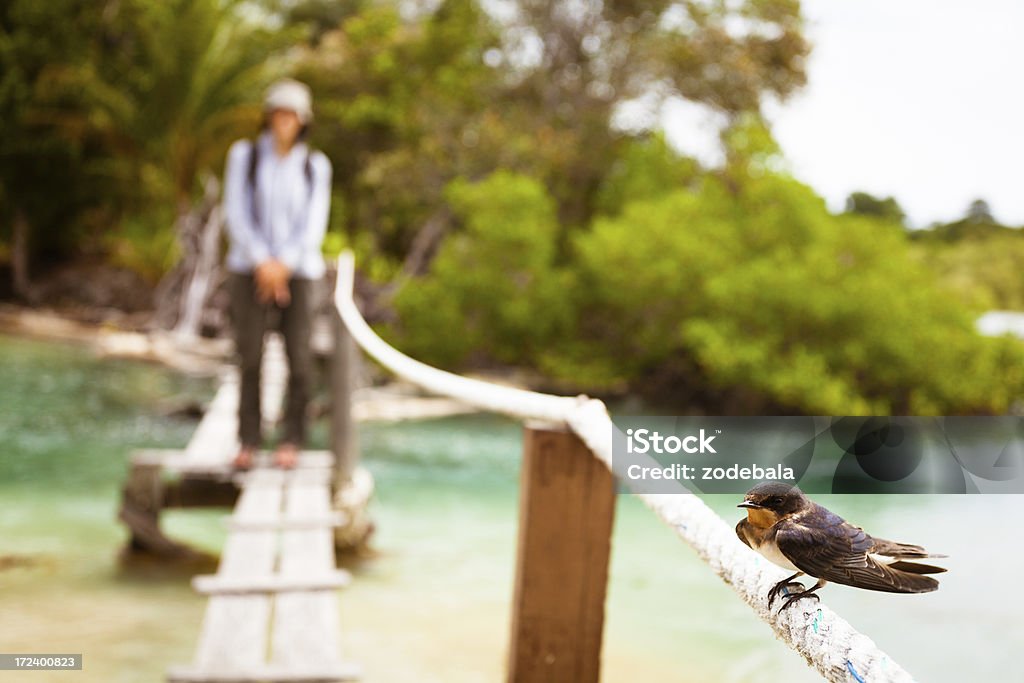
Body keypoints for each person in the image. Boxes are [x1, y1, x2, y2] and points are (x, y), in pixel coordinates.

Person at [222, 78, 332, 469]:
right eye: (278, 113)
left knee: (299, 358)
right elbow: (235, 211)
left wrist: (282, 265)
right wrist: (262, 264)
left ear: (303, 120)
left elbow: (313, 224)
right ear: (268, 117)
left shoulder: (315, 165)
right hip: (248, 268)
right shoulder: (245, 156)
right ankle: (248, 440)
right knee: (249, 355)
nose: (283, 121)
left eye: (291, 114)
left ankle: (292, 439)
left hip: (300, 271)